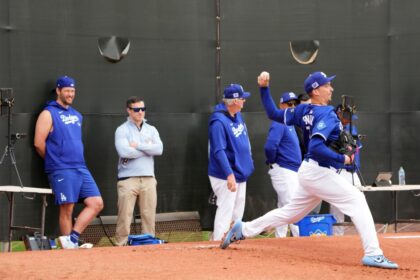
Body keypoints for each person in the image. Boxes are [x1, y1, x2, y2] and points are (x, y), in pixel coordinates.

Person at [220, 71, 398, 270]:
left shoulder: (302, 110)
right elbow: (315, 147)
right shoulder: (327, 113)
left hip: (309, 171)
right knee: (357, 199)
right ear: (315, 90)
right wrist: (343, 158)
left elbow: (272, 113)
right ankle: (373, 253)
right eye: (327, 85)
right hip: (318, 172)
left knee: (290, 214)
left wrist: (264, 88)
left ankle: (243, 228)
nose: (331, 88)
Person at [34, 76, 104, 249]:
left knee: (96, 203)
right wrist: (55, 160)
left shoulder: (77, 115)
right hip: (61, 168)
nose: (70, 94)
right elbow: (38, 143)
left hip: (80, 166)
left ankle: (72, 239)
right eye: (67, 90)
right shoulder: (48, 113)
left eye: (72, 91)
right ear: (58, 91)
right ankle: (68, 251)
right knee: (67, 208)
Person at [114, 96, 163, 246]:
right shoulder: (121, 129)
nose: (140, 112)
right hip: (128, 179)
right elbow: (124, 152)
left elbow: (159, 149)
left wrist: (137, 145)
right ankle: (121, 245)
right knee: (125, 215)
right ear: (128, 110)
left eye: (143, 109)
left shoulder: (152, 129)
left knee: (149, 215)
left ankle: (148, 244)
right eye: (136, 109)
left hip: (148, 178)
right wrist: (148, 149)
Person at [208, 84, 254, 241]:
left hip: (240, 172)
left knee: (237, 211)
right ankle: (218, 241)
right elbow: (218, 151)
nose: (244, 101)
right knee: (226, 209)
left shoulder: (236, 114)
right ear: (234, 101)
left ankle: (233, 238)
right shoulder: (218, 121)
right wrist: (229, 174)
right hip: (225, 173)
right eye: (242, 98)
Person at [264, 92, 300, 237]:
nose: (292, 107)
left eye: (295, 104)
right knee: (294, 207)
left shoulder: (289, 122)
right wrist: (273, 161)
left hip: (291, 170)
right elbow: (270, 146)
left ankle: (280, 240)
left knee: (284, 207)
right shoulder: (280, 121)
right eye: (289, 104)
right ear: (281, 105)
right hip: (284, 170)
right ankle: (301, 240)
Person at [330, 104, 363, 235]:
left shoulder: (352, 128)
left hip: (353, 171)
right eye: (347, 117)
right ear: (339, 114)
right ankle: (338, 236)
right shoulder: (333, 127)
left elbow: (357, 150)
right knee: (338, 205)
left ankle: (362, 233)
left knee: (360, 200)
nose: (350, 120)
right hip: (339, 170)